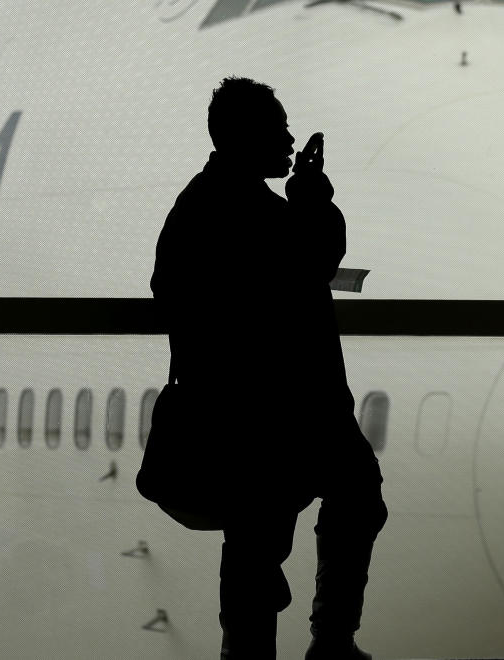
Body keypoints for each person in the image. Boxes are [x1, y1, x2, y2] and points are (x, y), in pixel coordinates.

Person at [149, 76, 387, 660]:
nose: (286, 138)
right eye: (277, 128)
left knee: (257, 542)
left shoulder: (199, 204)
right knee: (345, 501)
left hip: (239, 410)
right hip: (283, 412)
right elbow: (314, 260)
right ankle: (329, 640)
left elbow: (172, 290)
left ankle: (254, 652)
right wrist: (312, 195)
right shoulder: (255, 210)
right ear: (245, 135)